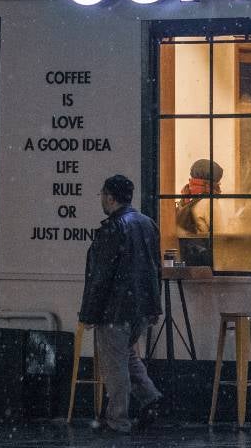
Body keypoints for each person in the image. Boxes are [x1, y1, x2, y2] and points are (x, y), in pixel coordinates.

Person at [79, 174, 163, 434]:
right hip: (140, 307)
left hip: (114, 309)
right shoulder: (147, 224)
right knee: (127, 356)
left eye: (103, 194)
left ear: (110, 197)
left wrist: (89, 313)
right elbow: (154, 268)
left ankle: (118, 420)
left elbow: (100, 276)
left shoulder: (113, 229)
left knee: (114, 367)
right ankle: (150, 398)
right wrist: (153, 307)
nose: (102, 199)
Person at [175, 159, 223, 266]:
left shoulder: (185, 202)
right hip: (203, 259)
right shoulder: (210, 202)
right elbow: (219, 236)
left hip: (185, 258)